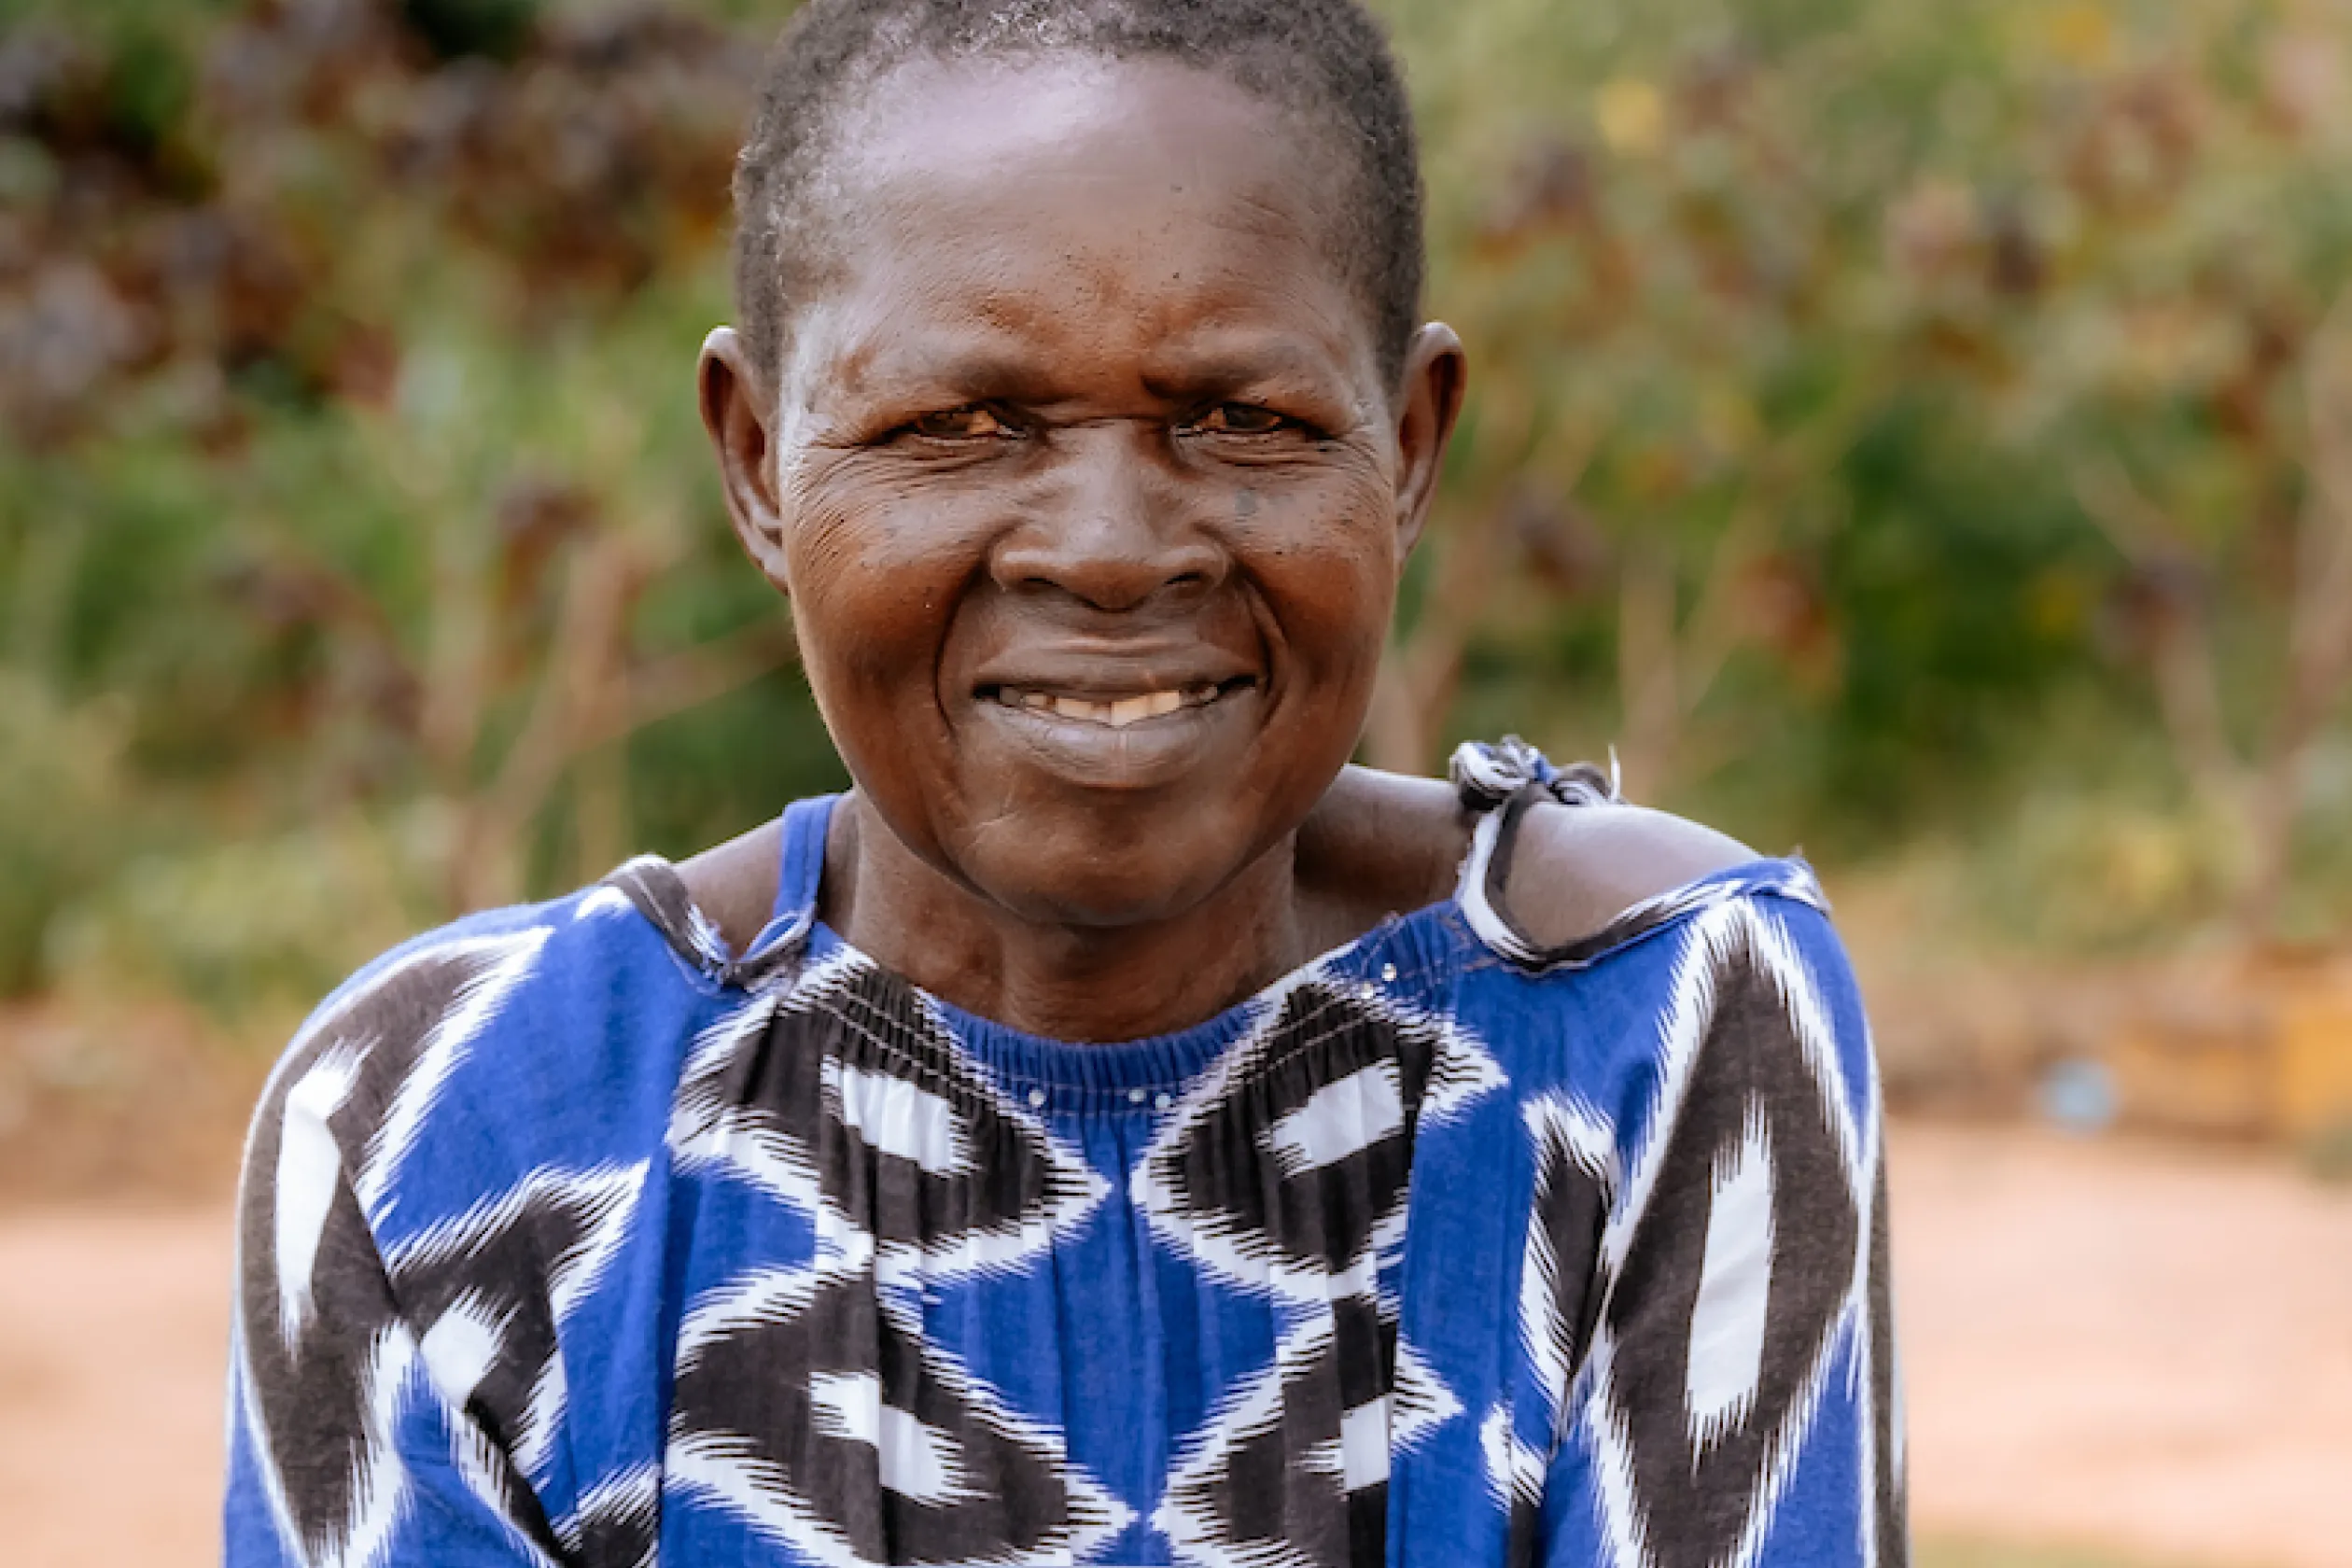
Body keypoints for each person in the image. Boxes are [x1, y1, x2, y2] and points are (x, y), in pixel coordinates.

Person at [223, 1, 1904, 1564]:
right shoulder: (445, 1132)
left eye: (1241, 419)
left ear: (1404, 448)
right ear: (757, 463)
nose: (1109, 552)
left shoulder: (1649, 1026)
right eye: (961, 425)